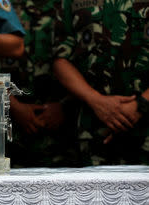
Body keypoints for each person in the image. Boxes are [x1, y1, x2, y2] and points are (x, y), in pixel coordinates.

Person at [53, 0, 148, 166]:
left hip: (146, 127)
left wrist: (140, 105)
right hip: (92, 130)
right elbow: (61, 60)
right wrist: (97, 101)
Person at [0, 0, 80, 168]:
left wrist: (64, 105)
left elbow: (89, 61)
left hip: (65, 132)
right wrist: (15, 107)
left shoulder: (69, 5)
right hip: (8, 130)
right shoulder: (1, 5)